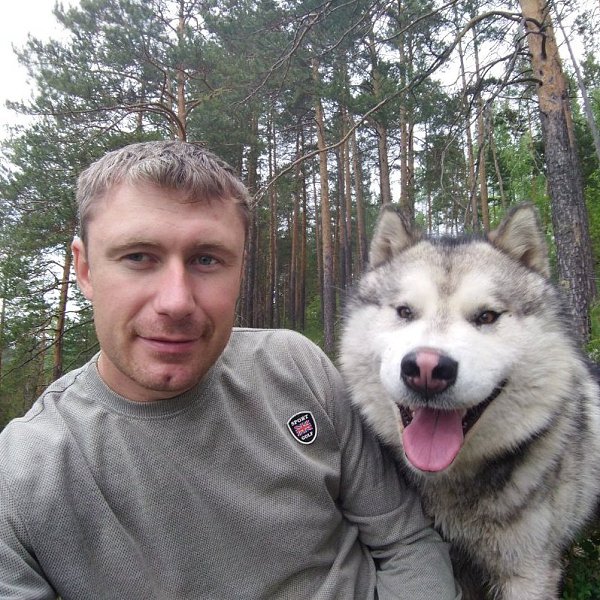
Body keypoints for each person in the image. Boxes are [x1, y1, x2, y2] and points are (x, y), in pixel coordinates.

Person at [0, 141, 461, 599]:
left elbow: (406, 542)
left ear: (239, 270)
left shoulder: (295, 367)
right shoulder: (21, 477)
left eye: (207, 260)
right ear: (84, 270)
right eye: (138, 257)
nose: (176, 302)